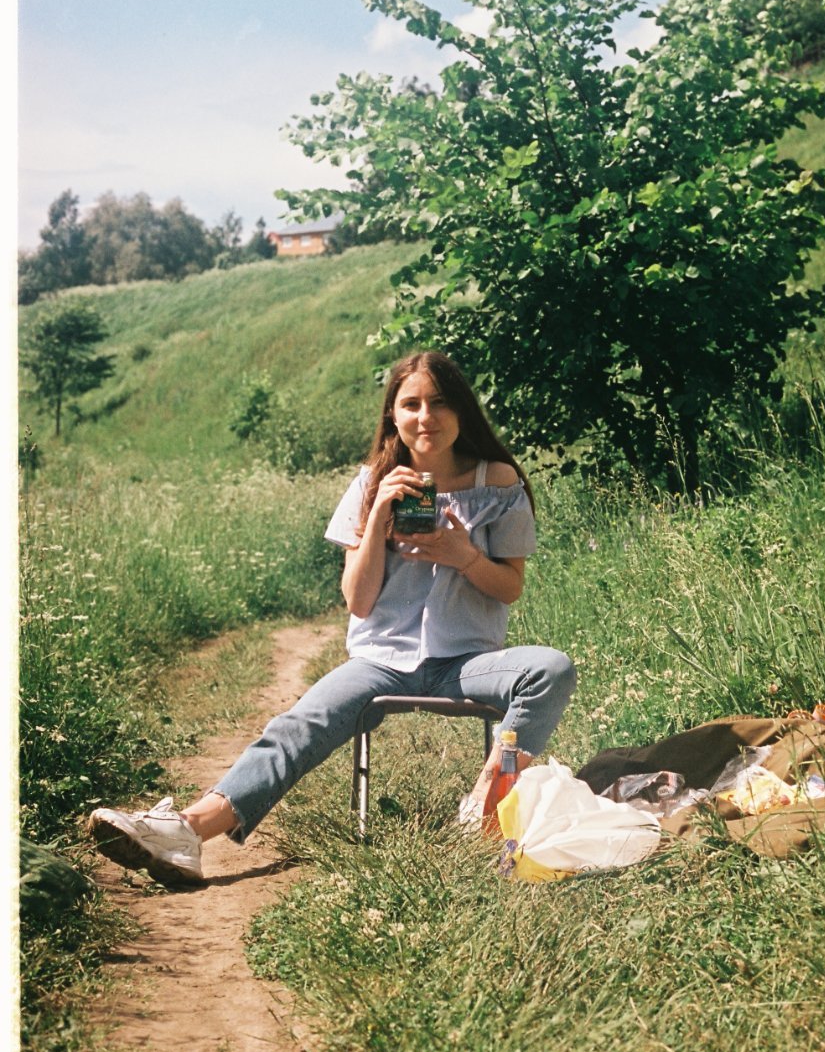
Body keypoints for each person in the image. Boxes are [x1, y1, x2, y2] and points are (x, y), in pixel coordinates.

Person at [88, 350, 576, 886]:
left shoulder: (498, 481)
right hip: (381, 660)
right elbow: (358, 602)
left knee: (551, 667)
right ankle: (185, 831)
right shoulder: (371, 481)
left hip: (467, 661)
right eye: (410, 404)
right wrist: (379, 519)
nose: (425, 417)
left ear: (461, 411)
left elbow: (510, 588)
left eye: (439, 403)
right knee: (297, 725)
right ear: (393, 414)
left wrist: (463, 555)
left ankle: (486, 806)